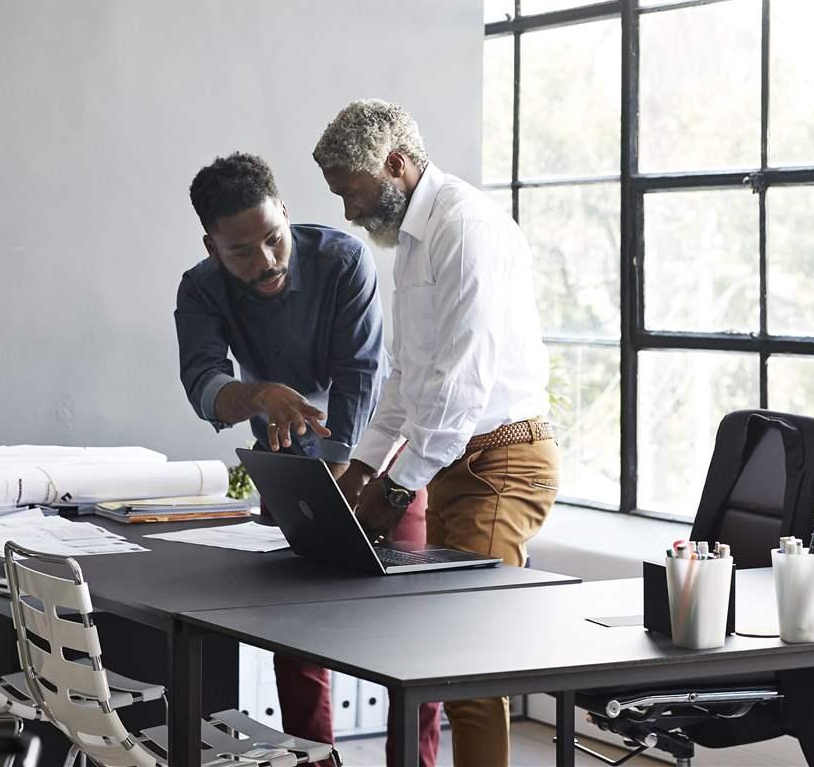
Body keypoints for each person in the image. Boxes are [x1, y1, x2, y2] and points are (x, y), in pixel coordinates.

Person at [174, 152, 442, 767]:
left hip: (381, 463)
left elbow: (362, 375)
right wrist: (258, 395)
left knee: (410, 632)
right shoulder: (199, 288)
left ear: (286, 214)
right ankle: (312, 764)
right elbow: (203, 383)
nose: (265, 260)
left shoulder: (342, 258)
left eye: (273, 238)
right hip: (289, 466)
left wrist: (347, 471)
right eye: (241, 251)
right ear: (212, 247)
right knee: (296, 639)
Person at [312, 100, 559, 765]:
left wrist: (392, 493)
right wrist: (360, 467)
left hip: (502, 462)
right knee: (439, 660)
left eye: (354, 192)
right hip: (454, 462)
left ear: (394, 165)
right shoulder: (411, 242)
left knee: (468, 667)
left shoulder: (465, 227)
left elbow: (461, 385)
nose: (348, 213)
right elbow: (408, 378)